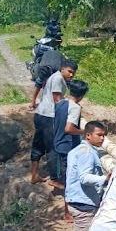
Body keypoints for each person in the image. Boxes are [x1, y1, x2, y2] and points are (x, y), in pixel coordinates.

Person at [65, 120, 108, 231]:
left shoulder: (78, 150)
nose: (102, 138)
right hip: (83, 202)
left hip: (75, 199)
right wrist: (105, 178)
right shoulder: (88, 153)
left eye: (104, 135)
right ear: (88, 135)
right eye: (99, 135)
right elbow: (84, 177)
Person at [30, 58, 77, 187]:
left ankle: (34, 175)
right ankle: (55, 179)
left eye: (73, 73)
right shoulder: (58, 79)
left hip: (40, 114)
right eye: (69, 71)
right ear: (62, 69)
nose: (71, 75)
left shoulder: (54, 77)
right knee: (53, 147)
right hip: (49, 117)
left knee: (38, 145)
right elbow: (57, 101)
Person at [54, 79, 89, 222]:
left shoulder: (61, 103)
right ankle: (67, 212)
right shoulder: (75, 108)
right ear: (82, 95)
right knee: (70, 179)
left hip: (58, 143)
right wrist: (84, 132)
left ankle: (69, 207)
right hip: (67, 146)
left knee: (66, 175)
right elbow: (68, 129)